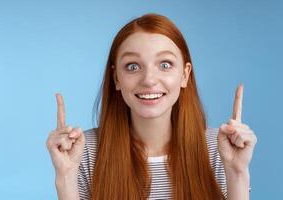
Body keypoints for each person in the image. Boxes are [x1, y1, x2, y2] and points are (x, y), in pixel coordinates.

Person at [46, 13, 257, 200]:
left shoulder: (217, 148)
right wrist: (65, 177)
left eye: (165, 65)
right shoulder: (85, 151)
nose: (148, 80)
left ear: (184, 75)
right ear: (116, 78)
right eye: (133, 66)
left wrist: (237, 173)